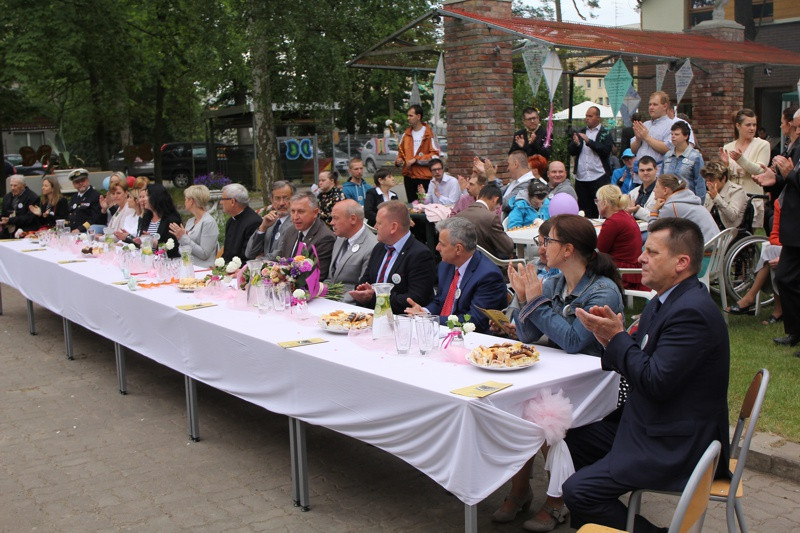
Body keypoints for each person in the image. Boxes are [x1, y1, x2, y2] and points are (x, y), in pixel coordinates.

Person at [565, 217, 730, 532]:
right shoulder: (667, 300)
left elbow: (655, 382)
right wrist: (609, 340)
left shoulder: (691, 312)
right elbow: (643, 359)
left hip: (676, 442)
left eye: (652, 252)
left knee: (578, 491)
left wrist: (618, 340)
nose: (640, 258)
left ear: (681, 262)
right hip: (654, 423)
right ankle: (600, 524)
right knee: (576, 433)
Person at [493, 215, 624, 531]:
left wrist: (535, 302)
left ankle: (556, 501)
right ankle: (520, 491)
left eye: (546, 241)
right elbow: (524, 335)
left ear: (567, 249)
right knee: (517, 406)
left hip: (595, 385)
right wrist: (523, 298)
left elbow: (575, 341)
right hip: (558, 376)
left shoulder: (601, 291)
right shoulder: (552, 282)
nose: (541, 247)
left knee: (542, 411)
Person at [404, 217, 507, 334]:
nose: (437, 248)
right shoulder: (446, 265)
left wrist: (431, 319)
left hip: (473, 340)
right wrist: (425, 312)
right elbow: (440, 301)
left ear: (458, 249)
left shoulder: (488, 276)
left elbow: (474, 321)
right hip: (443, 331)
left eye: (442, 244)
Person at [349, 200, 435, 314]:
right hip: (370, 316)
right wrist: (361, 292)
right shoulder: (379, 248)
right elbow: (365, 281)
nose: (375, 227)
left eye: (379, 223)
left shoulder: (420, 255)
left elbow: (414, 299)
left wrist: (374, 298)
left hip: (401, 321)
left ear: (393, 227)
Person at [753, 158, 800, 353]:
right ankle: (795, 331)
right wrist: (778, 181)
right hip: (793, 231)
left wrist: (790, 175)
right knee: (783, 278)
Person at [726, 197, 782, 323]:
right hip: (788, 246)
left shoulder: (735, 193)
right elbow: (774, 235)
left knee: (772, 252)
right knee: (771, 251)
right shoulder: (781, 202)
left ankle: (751, 298)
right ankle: (776, 308)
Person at [720, 109, 770, 228]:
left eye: (754, 125)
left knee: (747, 235)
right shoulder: (728, 147)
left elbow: (759, 170)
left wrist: (741, 160)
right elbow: (725, 176)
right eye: (748, 125)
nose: (752, 128)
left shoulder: (762, 145)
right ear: (738, 126)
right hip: (731, 198)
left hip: (751, 197)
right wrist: (726, 165)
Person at [269, 191, 336, 279]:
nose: (295, 217)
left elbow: (317, 277)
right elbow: (280, 257)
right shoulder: (291, 230)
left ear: (315, 212)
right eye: (292, 211)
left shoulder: (325, 238)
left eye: (301, 212)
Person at [326, 199, 378, 303]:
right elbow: (331, 278)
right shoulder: (340, 239)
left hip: (349, 305)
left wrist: (332, 302)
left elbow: (361, 290)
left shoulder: (372, 246)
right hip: (330, 300)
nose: (331, 223)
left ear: (353, 219)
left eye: (336, 218)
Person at [595, 185, 645, 291]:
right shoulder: (625, 215)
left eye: (597, 201)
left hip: (622, 272)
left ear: (604, 203)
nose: (597, 204)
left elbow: (599, 251)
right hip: (632, 269)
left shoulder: (613, 222)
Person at [568, 105, 614, 218]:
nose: (587, 118)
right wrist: (576, 144)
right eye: (586, 116)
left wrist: (589, 141)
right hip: (582, 177)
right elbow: (571, 151)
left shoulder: (605, 133)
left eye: (590, 116)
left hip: (598, 175)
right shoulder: (581, 132)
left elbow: (605, 150)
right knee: (583, 209)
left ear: (598, 118)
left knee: (600, 207)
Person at [649, 174, 719, 243]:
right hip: (718, 247)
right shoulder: (687, 199)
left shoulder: (672, 206)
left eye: (656, 187)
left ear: (665, 190)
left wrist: (654, 211)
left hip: (705, 250)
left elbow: (653, 233)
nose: (654, 190)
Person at [395, 104, 439, 203]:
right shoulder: (405, 135)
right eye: (408, 115)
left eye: (411, 116)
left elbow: (435, 156)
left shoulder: (429, 134)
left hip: (423, 177)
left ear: (418, 117)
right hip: (409, 176)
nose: (408, 118)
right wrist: (399, 161)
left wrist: (416, 160)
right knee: (412, 206)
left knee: (425, 205)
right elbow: (401, 154)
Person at [456, 185, 514, 259]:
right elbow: (508, 247)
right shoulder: (491, 218)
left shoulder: (459, 215)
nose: (495, 210)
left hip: (464, 262)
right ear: (495, 200)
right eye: (497, 207)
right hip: (488, 263)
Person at [168, 184, 219, 267]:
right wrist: (181, 237)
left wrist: (183, 237)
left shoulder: (208, 222)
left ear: (191, 201)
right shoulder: (190, 221)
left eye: (185, 199)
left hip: (202, 269)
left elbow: (204, 254)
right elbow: (184, 248)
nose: (184, 202)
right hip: (188, 266)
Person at [245, 180, 295, 259]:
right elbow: (249, 253)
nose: (281, 203)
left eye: (286, 198)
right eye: (277, 198)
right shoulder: (270, 222)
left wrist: (257, 263)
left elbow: (280, 254)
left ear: (293, 199)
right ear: (272, 200)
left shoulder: (296, 223)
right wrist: (263, 228)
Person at [134, 184, 182, 258]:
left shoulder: (171, 220)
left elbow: (172, 249)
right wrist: (141, 241)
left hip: (164, 263)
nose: (144, 199)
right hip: (147, 260)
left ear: (155, 198)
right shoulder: (146, 218)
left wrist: (153, 242)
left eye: (147, 196)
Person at [662, 120, 705, 200]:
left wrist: (699, 203)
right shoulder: (667, 156)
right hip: (668, 201)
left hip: (687, 201)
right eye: (672, 134)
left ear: (686, 136)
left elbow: (700, 183)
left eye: (677, 134)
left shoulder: (695, 157)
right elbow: (661, 180)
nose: (673, 137)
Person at [630, 91, 675, 168]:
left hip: (658, 173)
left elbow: (668, 149)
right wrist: (638, 139)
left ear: (665, 106)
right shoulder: (644, 125)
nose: (651, 107)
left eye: (655, 104)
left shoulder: (672, 125)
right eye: (650, 104)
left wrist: (647, 138)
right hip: (639, 173)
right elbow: (633, 150)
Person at [219, 183, 261, 263]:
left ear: (232, 201)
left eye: (223, 199)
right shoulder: (231, 221)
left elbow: (249, 257)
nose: (221, 202)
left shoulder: (253, 222)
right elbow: (227, 253)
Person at [701, 161, 747, 231]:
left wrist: (716, 198)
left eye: (712, 180)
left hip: (729, 231)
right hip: (711, 229)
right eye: (706, 180)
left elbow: (732, 216)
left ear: (723, 179)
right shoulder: (709, 192)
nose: (708, 184)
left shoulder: (737, 191)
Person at [66, 168, 103, 233]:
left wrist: (80, 229)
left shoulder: (96, 196)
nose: (80, 183)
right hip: (72, 232)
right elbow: (70, 216)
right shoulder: (74, 197)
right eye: (77, 182)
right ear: (73, 184)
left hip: (87, 232)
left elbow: (95, 218)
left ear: (87, 180)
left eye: (82, 180)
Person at [503, 150, 537, 215]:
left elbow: (505, 204)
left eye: (509, 164)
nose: (508, 168)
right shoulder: (517, 181)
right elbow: (498, 192)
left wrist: (491, 178)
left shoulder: (528, 184)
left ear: (516, 164)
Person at [625, 156, 659, 222]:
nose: (645, 173)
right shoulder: (632, 193)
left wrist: (637, 210)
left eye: (649, 170)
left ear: (656, 169)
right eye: (642, 170)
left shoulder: (663, 191)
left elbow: (660, 219)